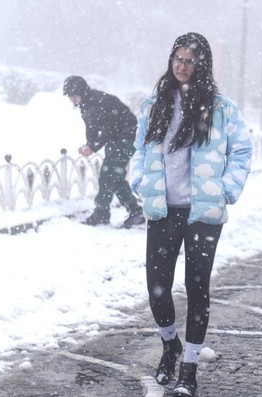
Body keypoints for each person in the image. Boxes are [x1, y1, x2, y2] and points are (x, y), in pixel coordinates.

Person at [129, 32, 252, 396]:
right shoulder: (154, 105)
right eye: (177, 59)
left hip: (202, 214)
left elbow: (242, 152)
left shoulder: (222, 109)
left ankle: (190, 368)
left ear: (202, 66)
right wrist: (140, 180)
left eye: (189, 61)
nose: (182, 66)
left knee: (197, 288)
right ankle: (171, 346)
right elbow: (139, 150)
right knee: (157, 289)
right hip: (163, 210)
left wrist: (226, 189)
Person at [63, 75, 145, 228]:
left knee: (107, 176)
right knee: (116, 178)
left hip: (126, 138)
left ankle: (102, 213)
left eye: (73, 96)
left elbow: (110, 128)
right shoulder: (87, 104)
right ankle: (135, 212)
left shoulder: (98, 102)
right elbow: (91, 128)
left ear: (80, 92)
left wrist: (93, 147)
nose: (72, 100)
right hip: (118, 139)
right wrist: (89, 144)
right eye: (70, 97)